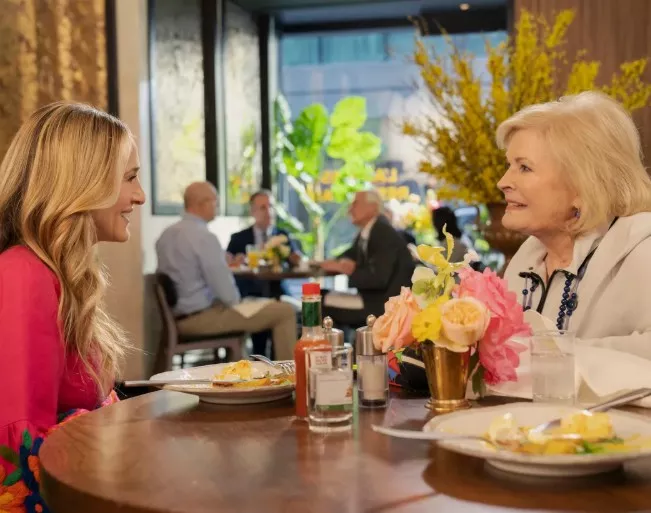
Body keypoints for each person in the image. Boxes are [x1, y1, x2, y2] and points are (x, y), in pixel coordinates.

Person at [0, 102, 146, 509]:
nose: (140, 195)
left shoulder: (56, 274)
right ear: (82, 182)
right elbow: (18, 452)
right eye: (130, 178)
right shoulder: (23, 273)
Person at [500, 91, 651, 360]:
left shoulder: (641, 251)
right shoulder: (527, 258)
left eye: (524, 168)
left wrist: (558, 355)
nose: (502, 182)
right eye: (509, 165)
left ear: (582, 185)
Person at [155, 182, 297, 360]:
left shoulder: (166, 235)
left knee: (259, 306)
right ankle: (287, 375)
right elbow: (228, 296)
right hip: (200, 318)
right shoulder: (204, 237)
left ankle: (247, 367)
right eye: (215, 201)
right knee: (285, 311)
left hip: (178, 317)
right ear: (202, 203)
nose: (217, 206)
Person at [320, 190, 415, 327]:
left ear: (373, 207)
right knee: (320, 296)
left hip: (384, 306)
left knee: (319, 300)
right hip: (374, 299)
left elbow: (379, 279)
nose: (349, 209)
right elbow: (350, 254)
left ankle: (320, 340)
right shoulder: (368, 231)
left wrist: (350, 270)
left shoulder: (382, 232)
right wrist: (336, 262)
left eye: (355, 204)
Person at [227, 190, 301, 357]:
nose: (269, 212)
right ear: (253, 211)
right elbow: (228, 265)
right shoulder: (238, 239)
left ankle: (280, 359)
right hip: (250, 294)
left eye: (271, 206)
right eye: (263, 207)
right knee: (264, 314)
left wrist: (295, 258)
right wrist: (237, 261)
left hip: (278, 293)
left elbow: (295, 260)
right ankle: (260, 358)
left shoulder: (282, 236)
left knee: (289, 311)